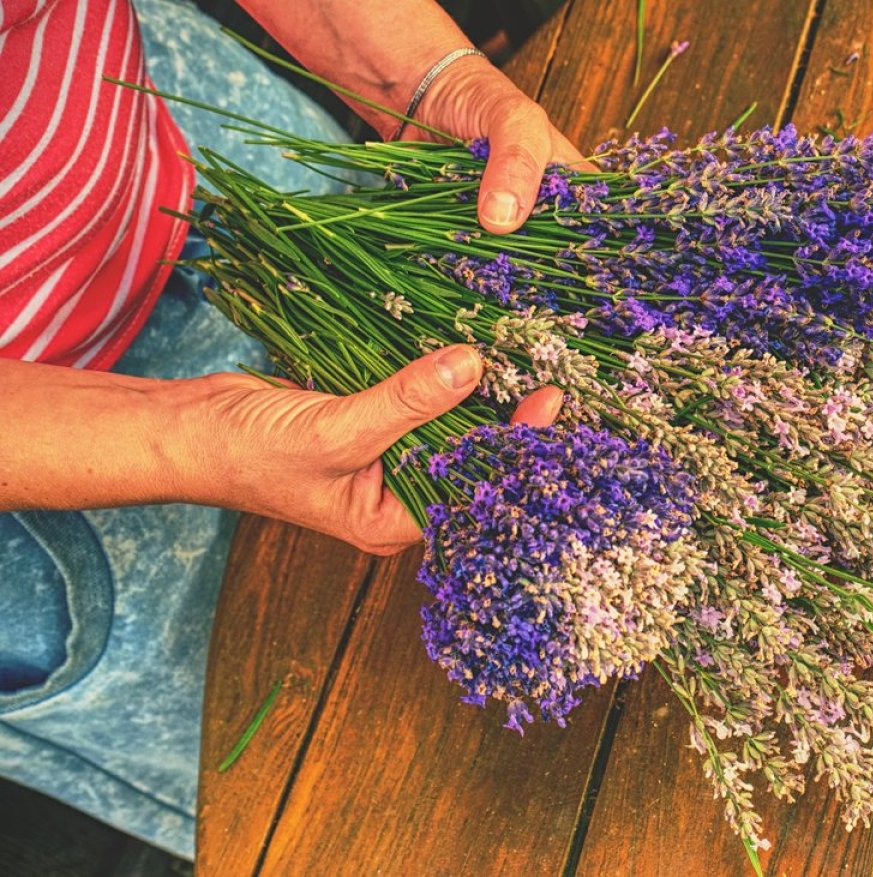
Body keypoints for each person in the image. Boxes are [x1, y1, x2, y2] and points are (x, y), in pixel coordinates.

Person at [0, 0, 580, 858]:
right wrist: (186, 433)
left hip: (145, 106)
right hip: (51, 461)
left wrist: (428, 80)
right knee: (371, 795)